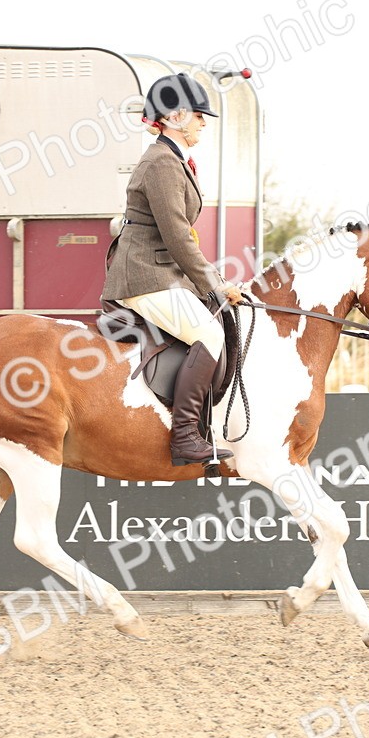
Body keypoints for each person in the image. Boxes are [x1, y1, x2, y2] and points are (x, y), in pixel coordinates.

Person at [101, 72, 247, 466]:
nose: (203, 121)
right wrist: (215, 286)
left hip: (162, 272)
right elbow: (179, 238)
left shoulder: (173, 161)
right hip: (145, 276)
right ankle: (184, 437)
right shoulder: (162, 163)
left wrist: (214, 283)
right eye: (198, 114)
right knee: (208, 332)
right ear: (175, 116)